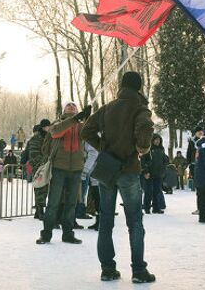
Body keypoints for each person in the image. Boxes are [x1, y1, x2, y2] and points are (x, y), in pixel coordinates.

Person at [81, 72, 156, 284]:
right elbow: (145, 128)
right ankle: (139, 271)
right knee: (135, 221)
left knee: (105, 220)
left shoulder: (107, 108)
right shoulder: (140, 108)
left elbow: (86, 131)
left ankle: (107, 269)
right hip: (130, 170)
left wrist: (104, 149)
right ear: (139, 87)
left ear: (122, 86)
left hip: (107, 170)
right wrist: (142, 148)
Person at [36, 102, 91, 245]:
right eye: (69, 106)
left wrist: (87, 118)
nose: (71, 107)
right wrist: (74, 119)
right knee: (53, 202)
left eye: (74, 106)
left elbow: (89, 134)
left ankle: (68, 234)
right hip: (59, 168)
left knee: (72, 203)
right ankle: (46, 234)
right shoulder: (57, 123)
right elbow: (55, 132)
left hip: (76, 169)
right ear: (64, 110)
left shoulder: (81, 125)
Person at [29, 119, 51, 220]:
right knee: (39, 189)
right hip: (39, 167)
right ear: (43, 127)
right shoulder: (36, 139)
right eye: (47, 126)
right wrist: (42, 163)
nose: (48, 128)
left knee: (44, 189)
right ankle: (40, 211)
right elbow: (34, 154)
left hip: (46, 166)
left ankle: (39, 211)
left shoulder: (49, 137)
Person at [141, 134, 167, 214]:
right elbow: (143, 161)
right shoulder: (148, 149)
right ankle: (147, 208)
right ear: (152, 140)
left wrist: (164, 168)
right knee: (148, 192)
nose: (157, 141)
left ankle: (156, 208)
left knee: (157, 191)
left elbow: (164, 160)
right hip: (149, 174)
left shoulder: (161, 149)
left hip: (158, 174)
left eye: (159, 139)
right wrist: (145, 171)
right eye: (156, 139)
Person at [76, 142, 97, 220]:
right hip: (82, 166)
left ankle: (78, 212)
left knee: (80, 192)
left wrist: (85, 170)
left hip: (82, 166)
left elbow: (93, 153)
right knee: (81, 192)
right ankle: (79, 212)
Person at [186, 127, 203, 191]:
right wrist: (188, 162)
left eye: (201, 132)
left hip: (202, 162)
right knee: (194, 175)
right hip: (193, 162)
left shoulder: (204, 140)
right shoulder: (192, 141)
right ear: (195, 133)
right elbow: (189, 152)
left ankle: (200, 187)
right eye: (198, 132)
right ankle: (195, 187)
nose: (200, 133)